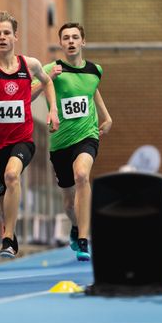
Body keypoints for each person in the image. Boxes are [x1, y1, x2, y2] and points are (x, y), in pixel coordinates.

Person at [0, 11, 59, 259]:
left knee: (11, 176)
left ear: (15, 36)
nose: (3, 37)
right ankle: (9, 231)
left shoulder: (30, 65)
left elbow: (47, 82)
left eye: (7, 33)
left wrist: (53, 111)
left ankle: (8, 237)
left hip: (22, 140)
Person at [42, 22, 112, 261]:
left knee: (82, 175)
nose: (70, 41)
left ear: (83, 42)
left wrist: (107, 116)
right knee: (69, 204)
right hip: (60, 141)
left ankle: (84, 239)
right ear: (60, 43)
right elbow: (28, 93)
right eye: (66, 38)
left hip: (87, 135)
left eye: (75, 37)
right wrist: (46, 79)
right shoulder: (51, 68)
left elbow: (92, 90)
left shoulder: (95, 70)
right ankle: (75, 226)